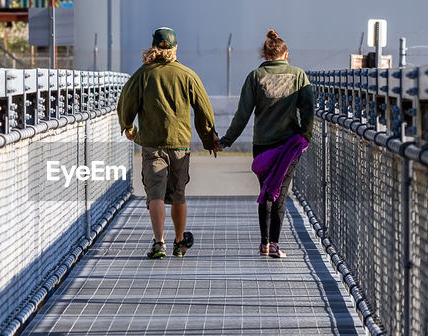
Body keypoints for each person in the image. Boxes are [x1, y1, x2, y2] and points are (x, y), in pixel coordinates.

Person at [117, 27, 220, 259]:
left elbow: (125, 102)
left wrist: (129, 127)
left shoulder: (142, 75)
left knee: (155, 195)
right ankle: (179, 241)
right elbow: (204, 110)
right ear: (175, 48)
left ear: (153, 47)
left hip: (152, 144)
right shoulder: (187, 75)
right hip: (180, 145)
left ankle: (159, 242)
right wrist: (208, 139)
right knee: (178, 195)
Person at [218, 30, 314, 258]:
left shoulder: (255, 76)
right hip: (289, 145)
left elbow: (242, 115)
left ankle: (263, 244)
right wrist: (306, 136)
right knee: (279, 194)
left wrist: (226, 141)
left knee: (265, 192)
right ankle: (274, 245)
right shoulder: (298, 75)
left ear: (265, 54)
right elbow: (308, 109)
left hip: (262, 146)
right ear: (286, 54)